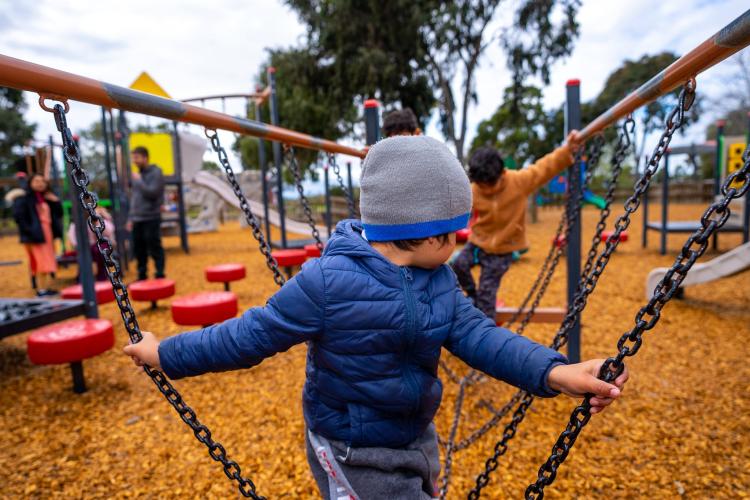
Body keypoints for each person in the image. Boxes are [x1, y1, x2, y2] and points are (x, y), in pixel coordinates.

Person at [123, 136, 627, 500]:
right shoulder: (326, 282)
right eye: (453, 233)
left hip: (414, 435)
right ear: (425, 232)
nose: (459, 243)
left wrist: (557, 371)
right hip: (350, 447)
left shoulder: (441, 280)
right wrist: (163, 353)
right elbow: (250, 335)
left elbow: (483, 338)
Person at [451, 136, 581, 318]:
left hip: (504, 249)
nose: (486, 190)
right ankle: (472, 296)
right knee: (458, 265)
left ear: (502, 173)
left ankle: (485, 333)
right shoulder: (473, 190)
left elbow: (543, 168)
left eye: (490, 185)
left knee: (487, 295)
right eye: (482, 186)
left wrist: (567, 150)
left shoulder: (518, 182)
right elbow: (453, 204)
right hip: (478, 243)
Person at [12, 173, 63, 296]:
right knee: (41, 261)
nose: (40, 183)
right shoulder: (25, 198)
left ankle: (44, 287)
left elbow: (58, 214)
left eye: (42, 181)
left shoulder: (46, 198)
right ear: (30, 183)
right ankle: (41, 289)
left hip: (47, 233)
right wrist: (30, 231)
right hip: (36, 235)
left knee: (47, 260)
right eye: (36, 181)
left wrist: (56, 201)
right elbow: (20, 218)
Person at [128, 146, 165, 281]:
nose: (134, 161)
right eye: (133, 158)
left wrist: (138, 181)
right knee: (139, 248)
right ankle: (142, 275)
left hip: (151, 216)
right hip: (137, 218)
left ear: (145, 158)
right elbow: (134, 199)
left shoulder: (156, 172)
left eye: (137, 157)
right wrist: (130, 218)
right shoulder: (138, 175)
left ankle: (160, 273)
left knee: (154, 245)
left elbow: (153, 193)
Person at [67, 206, 115, 281]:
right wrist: (78, 245)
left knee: (99, 250)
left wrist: (98, 220)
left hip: (96, 247)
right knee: (87, 253)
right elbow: (72, 237)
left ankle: (101, 275)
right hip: (84, 248)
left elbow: (109, 231)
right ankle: (83, 277)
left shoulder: (97, 220)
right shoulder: (76, 223)